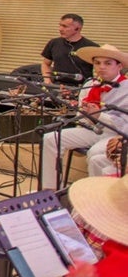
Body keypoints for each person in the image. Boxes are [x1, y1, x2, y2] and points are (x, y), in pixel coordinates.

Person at [40, 45, 128, 189]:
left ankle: (96, 195)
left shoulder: (126, 87)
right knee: (51, 139)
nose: (101, 67)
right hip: (92, 130)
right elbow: (80, 117)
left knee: (95, 154)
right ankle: (51, 190)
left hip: (115, 135)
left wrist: (100, 115)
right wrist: (86, 114)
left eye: (107, 63)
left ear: (119, 66)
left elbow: (125, 124)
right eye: (97, 63)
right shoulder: (90, 84)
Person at [42, 13, 97, 85]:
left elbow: (100, 70)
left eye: (65, 26)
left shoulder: (92, 47)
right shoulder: (54, 42)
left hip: (81, 89)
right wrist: (47, 80)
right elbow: (46, 63)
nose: (60, 29)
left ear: (77, 29)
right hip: (57, 86)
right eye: (60, 25)